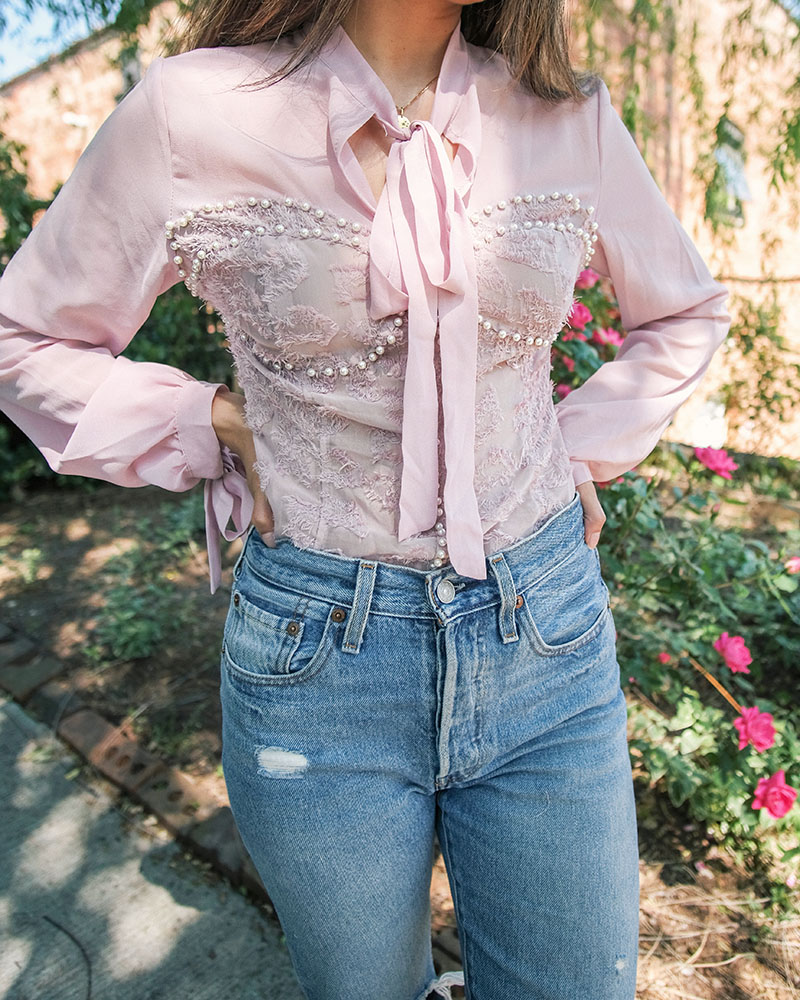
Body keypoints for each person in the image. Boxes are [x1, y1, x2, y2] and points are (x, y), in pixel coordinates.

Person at [0, 0, 731, 997]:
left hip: (545, 638)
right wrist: (211, 418)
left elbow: (683, 311)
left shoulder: (567, 115)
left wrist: (571, 448)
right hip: (317, 661)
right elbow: (23, 340)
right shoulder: (192, 110)